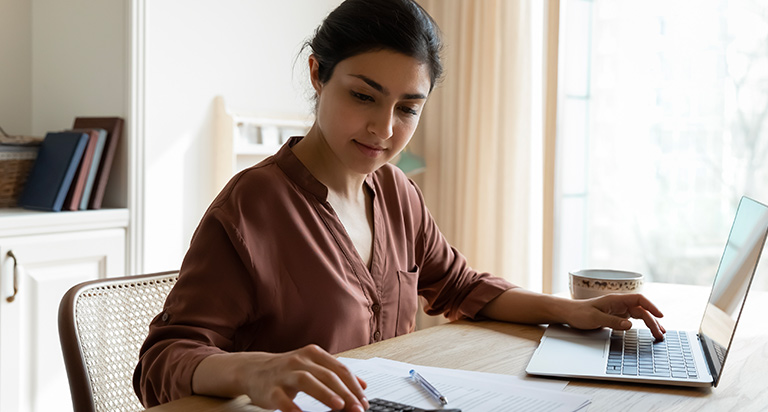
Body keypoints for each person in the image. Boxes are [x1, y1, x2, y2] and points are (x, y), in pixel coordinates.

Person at [133, 0, 666, 411]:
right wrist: (256, 372)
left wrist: (572, 312)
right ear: (318, 75)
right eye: (363, 96)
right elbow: (162, 361)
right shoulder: (252, 207)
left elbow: (460, 286)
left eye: (408, 108)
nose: (384, 129)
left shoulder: (395, 193)